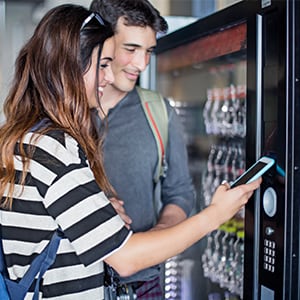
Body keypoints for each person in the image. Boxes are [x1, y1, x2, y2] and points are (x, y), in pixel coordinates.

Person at [0, 3, 261, 300]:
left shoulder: (26, 138)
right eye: (103, 64)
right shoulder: (54, 148)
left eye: (149, 51)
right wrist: (216, 214)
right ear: (72, 65)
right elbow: (126, 259)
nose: (110, 75)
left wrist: (100, 211)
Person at [88, 0, 195, 297]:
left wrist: (159, 235)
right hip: (79, 284)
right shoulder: (61, 115)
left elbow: (181, 192)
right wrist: (94, 212)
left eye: (148, 51)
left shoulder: (158, 111)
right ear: (100, 42)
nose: (142, 64)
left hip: (144, 283)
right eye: (131, 49)